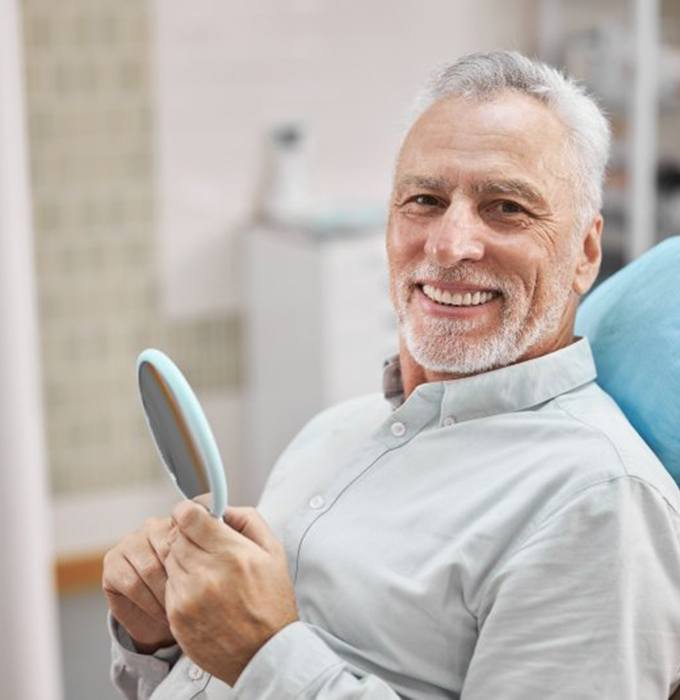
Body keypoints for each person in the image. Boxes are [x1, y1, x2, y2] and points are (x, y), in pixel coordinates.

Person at [103, 51, 680, 699]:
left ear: (586, 251)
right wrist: (159, 641)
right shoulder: (334, 432)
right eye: (425, 200)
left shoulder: (597, 503)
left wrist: (264, 656)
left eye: (507, 208)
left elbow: (257, 660)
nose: (448, 244)